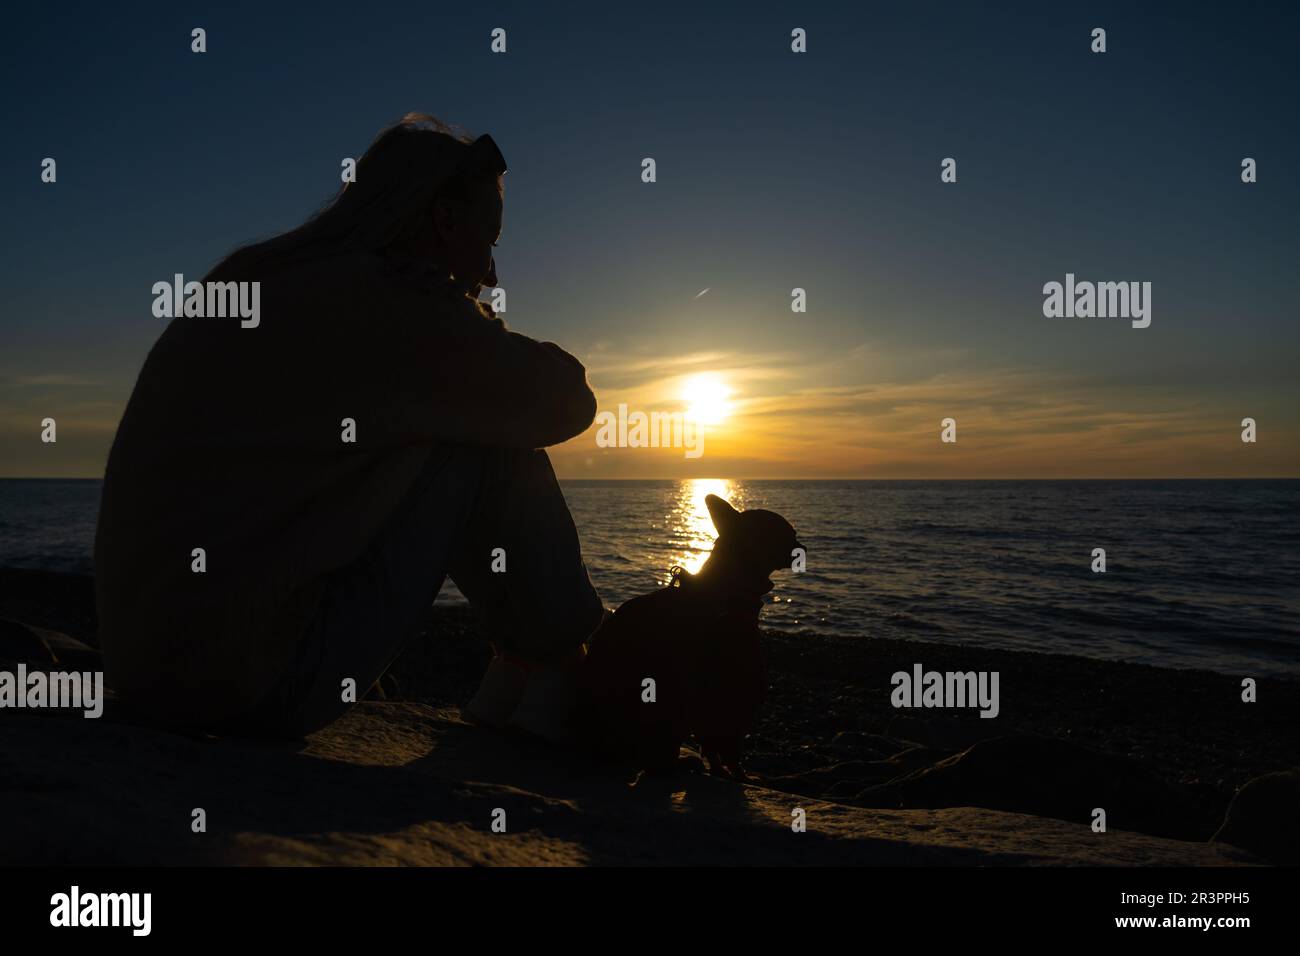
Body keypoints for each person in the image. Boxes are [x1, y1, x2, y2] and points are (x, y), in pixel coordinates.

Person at [94, 113, 605, 742]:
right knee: (487, 436)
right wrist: (464, 315)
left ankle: (522, 674)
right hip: (247, 685)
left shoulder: (263, 274)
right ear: (444, 222)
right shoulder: (390, 302)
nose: (493, 273)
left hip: (149, 666)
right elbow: (566, 401)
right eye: (489, 239)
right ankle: (561, 666)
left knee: (465, 411)